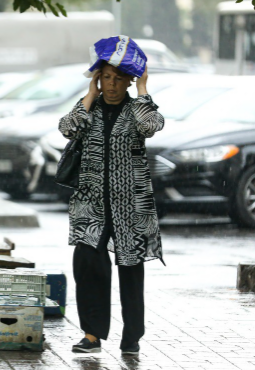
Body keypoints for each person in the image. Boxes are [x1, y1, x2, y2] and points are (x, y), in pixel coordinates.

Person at [58, 61, 165, 355]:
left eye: (119, 78)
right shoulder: (88, 109)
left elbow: (150, 126)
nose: (112, 84)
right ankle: (92, 335)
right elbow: (66, 128)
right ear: (98, 79)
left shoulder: (137, 110)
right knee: (88, 265)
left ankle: (131, 336)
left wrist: (143, 88)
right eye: (106, 78)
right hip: (90, 203)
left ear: (128, 81)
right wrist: (89, 94)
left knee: (130, 269)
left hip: (131, 204)